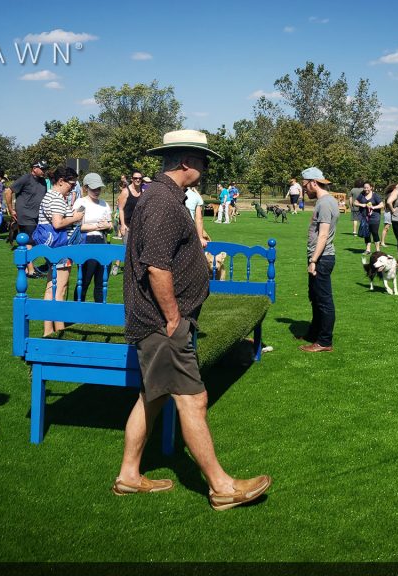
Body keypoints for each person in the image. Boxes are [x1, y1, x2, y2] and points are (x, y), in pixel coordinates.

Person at [117, 129, 271, 510]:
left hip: (159, 321)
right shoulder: (162, 203)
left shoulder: (166, 199)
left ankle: (128, 476)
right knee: (194, 399)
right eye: (203, 160)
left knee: (151, 397)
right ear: (186, 161)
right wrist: (173, 318)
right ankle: (220, 487)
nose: (205, 167)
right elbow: (156, 267)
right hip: (163, 322)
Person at [32, 166, 85, 336]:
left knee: (51, 289)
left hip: (54, 248)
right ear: (61, 181)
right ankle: (59, 331)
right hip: (61, 248)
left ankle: (48, 331)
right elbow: (57, 223)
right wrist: (75, 217)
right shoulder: (56, 199)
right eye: (71, 184)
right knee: (60, 290)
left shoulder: (50, 196)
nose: (73, 188)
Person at [300, 166, 339, 353]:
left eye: (305, 185)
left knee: (323, 300)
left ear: (313, 183)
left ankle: (324, 342)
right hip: (320, 257)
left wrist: (314, 260)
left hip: (322, 258)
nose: (304, 189)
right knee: (315, 297)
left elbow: (323, 235)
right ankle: (314, 333)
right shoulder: (326, 201)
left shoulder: (324, 203)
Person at [6, 160, 49, 277]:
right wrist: (11, 209)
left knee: (34, 241)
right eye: (42, 169)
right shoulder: (25, 178)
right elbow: (9, 191)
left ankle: (25, 269)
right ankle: (31, 271)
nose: (44, 171)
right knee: (29, 241)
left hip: (37, 216)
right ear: (34, 168)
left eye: (45, 169)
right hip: (25, 214)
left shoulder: (43, 181)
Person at [74, 173, 113, 303]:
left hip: (102, 242)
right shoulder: (81, 202)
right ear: (85, 188)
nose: (97, 191)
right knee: (84, 279)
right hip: (87, 242)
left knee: (101, 280)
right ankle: (77, 308)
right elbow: (78, 226)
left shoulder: (104, 204)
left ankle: (100, 310)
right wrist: (98, 226)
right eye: (93, 189)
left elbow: (110, 225)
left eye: (99, 188)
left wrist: (108, 226)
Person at [354, 182, 383, 253]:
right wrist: (362, 205)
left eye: (367, 187)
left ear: (371, 187)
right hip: (364, 217)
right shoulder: (361, 195)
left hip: (374, 217)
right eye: (364, 188)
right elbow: (355, 202)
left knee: (375, 232)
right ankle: (368, 249)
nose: (366, 189)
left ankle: (377, 250)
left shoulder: (375, 195)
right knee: (366, 233)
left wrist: (373, 207)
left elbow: (382, 205)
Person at [117, 170, 144, 241]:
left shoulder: (142, 192)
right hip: (126, 224)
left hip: (137, 225)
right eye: (135, 178)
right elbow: (120, 209)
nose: (138, 180)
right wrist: (122, 225)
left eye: (140, 178)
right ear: (132, 179)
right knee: (126, 246)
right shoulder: (125, 191)